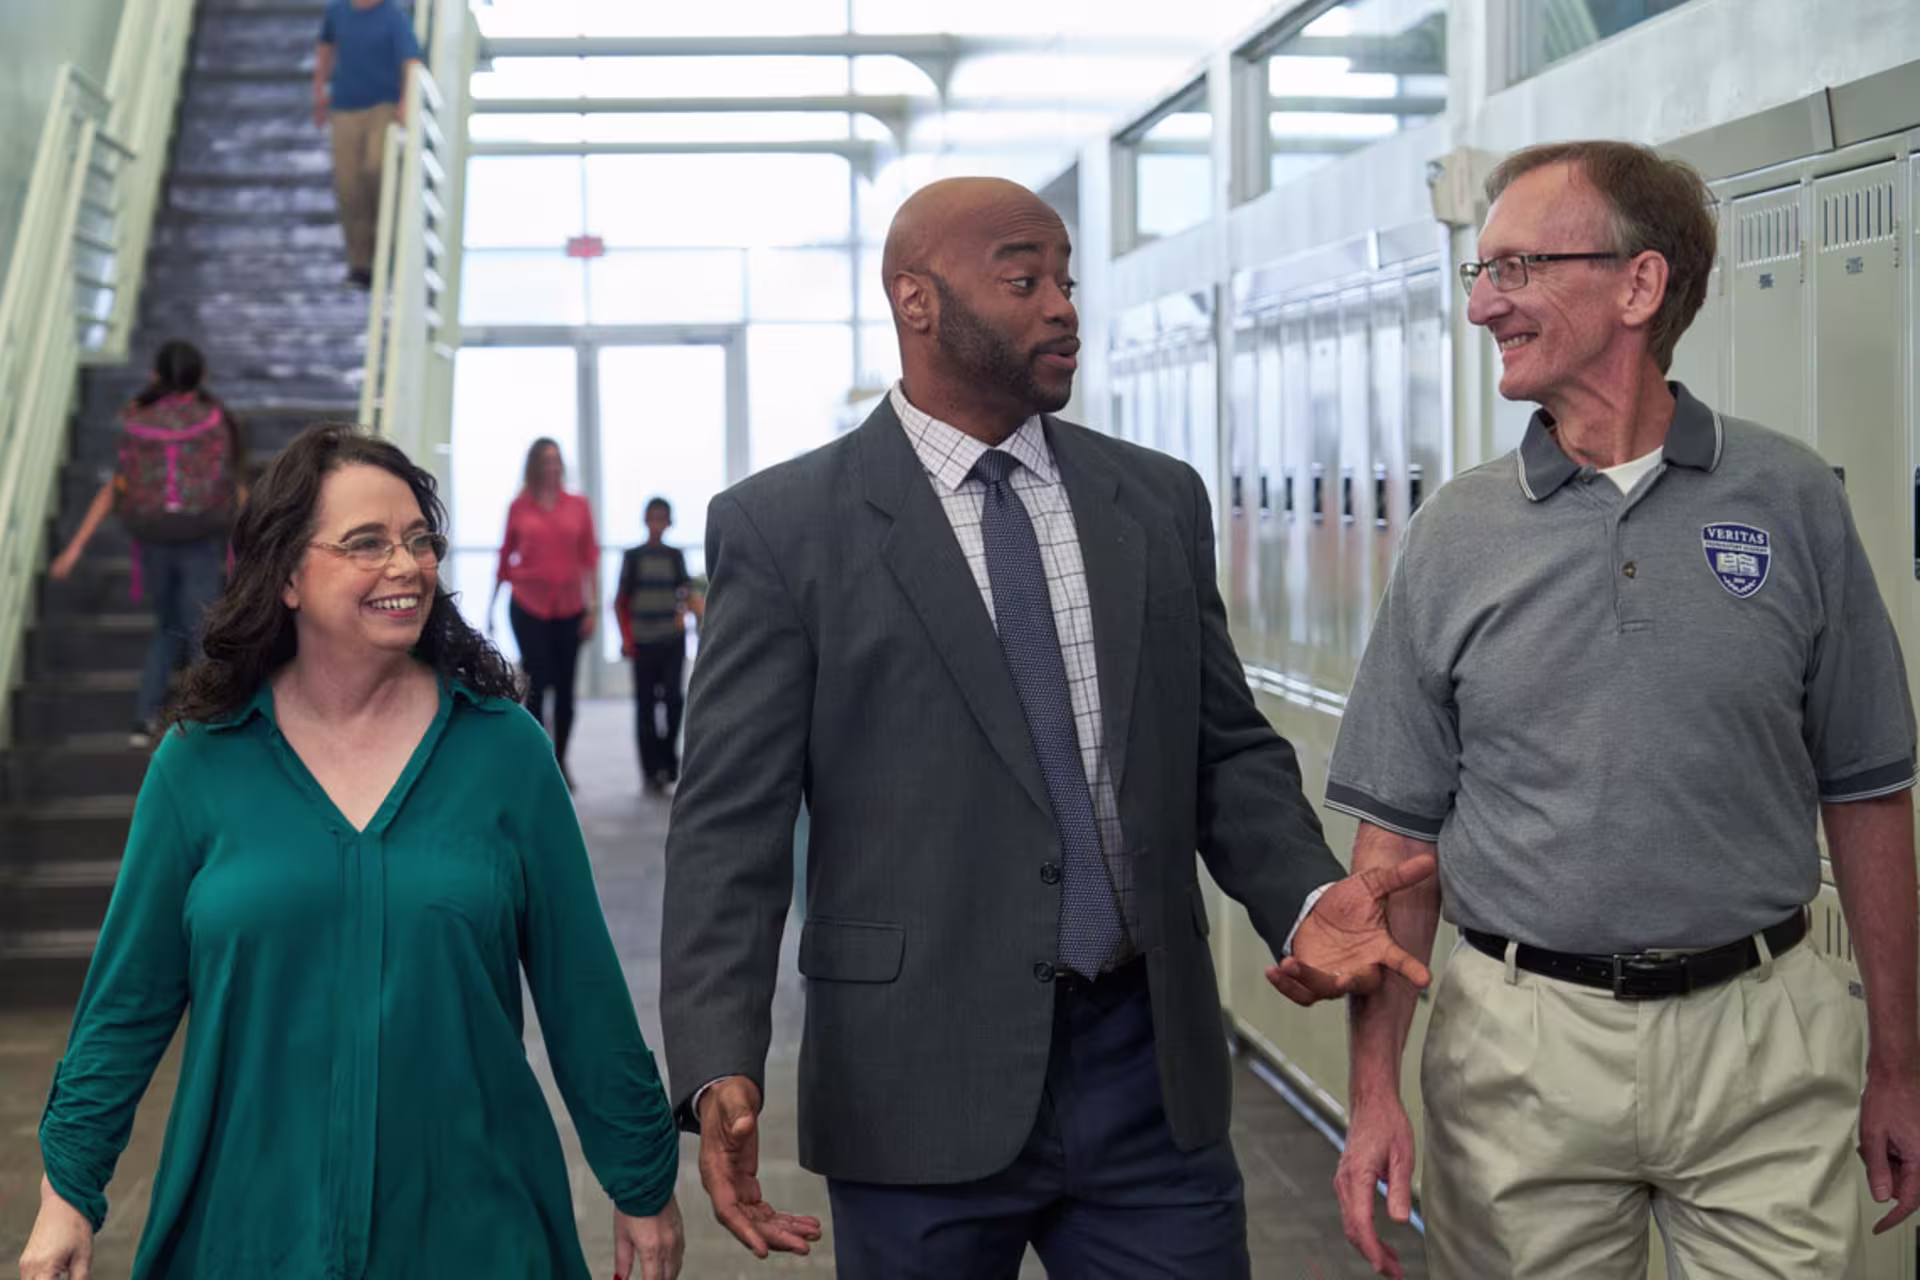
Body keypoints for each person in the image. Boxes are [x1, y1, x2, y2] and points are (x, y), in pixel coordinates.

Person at [659, 176, 1436, 1278]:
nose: (1063, 305)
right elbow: (728, 829)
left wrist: (1304, 897)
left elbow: (1222, 747)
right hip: (913, 1076)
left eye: (1067, 280)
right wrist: (715, 1059)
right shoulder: (788, 530)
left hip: (1145, 1073)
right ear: (916, 301)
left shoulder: (1155, 502)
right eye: (1024, 279)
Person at [1325, 140, 1920, 1280]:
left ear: (1639, 286)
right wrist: (1372, 1097)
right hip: (1520, 1045)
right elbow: (1394, 845)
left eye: (1517, 268)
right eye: (1478, 272)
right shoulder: (1456, 532)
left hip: (1764, 1038)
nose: (1483, 304)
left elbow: (1868, 789)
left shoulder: (1791, 497)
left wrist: (1899, 1058)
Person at [20, 425, 683, 1280]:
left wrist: (640, 1181)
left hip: (472, 1227)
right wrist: (67, 1192)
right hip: (249, 1229)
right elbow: (125, 1003)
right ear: (288, 574)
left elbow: (582, 990)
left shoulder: (504, 753)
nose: (405, 567)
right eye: (366, 544)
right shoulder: (201, 763)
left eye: (419, 541)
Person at [50, 340, 247, 746]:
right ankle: (201, 720)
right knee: (201, 628)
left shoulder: (138, 421)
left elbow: (116, 489)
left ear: (155, 377)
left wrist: (73, 548)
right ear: (202, 377)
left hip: (151, 538)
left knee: (167, 627)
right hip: (199, 536)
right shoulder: (215, 419)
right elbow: (233, 484)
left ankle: (143, 718)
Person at [490, 437, 599, 788]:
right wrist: (490, 606)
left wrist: (593, 607)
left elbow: (590, 559)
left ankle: (561, 760)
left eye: (556, 460)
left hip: (570, 608)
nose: (552, 466)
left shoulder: (578, 506)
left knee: (565, 689)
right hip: (527, 605)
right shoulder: (519, 507)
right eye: (545, 460)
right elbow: (505, 557)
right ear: (534, 466)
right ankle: (540, 759)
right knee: (537, 684)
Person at [313, 0, 422, 288]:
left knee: (376, 168)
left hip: (382, 106)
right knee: (348, 186)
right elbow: (325, 49)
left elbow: (411, 61)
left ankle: (382, 243)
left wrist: (405, 104)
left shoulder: (393, 16)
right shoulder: (337, 12)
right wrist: (319, 91)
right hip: (344, 107)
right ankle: (360, 264)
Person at [615, 497, 698, 795]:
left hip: (672, 640)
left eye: (662, 517)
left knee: (674, 701)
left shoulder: (675, 556)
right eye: (652, 517)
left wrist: (684, 616)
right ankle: (650, 770)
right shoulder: (633, 557)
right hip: (642, 640)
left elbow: (685, 591)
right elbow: (620, 601)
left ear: (669, 522)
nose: (657, 523)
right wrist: (626, 639)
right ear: (645, 520)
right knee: (645, 705)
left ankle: (668, 762)